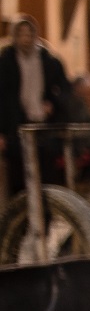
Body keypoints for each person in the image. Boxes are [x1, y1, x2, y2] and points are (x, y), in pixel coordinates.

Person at [0, 16, 73, 200]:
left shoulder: (49, 61)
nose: (26, 38)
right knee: (19, 179)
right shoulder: (5, 61)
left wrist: (52, 104)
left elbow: (64, 90)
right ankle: (20, 220)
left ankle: (45, 218)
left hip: (43, 126)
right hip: (15, 128)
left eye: (29, 34)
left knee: (46, 177)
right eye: (21, 34)